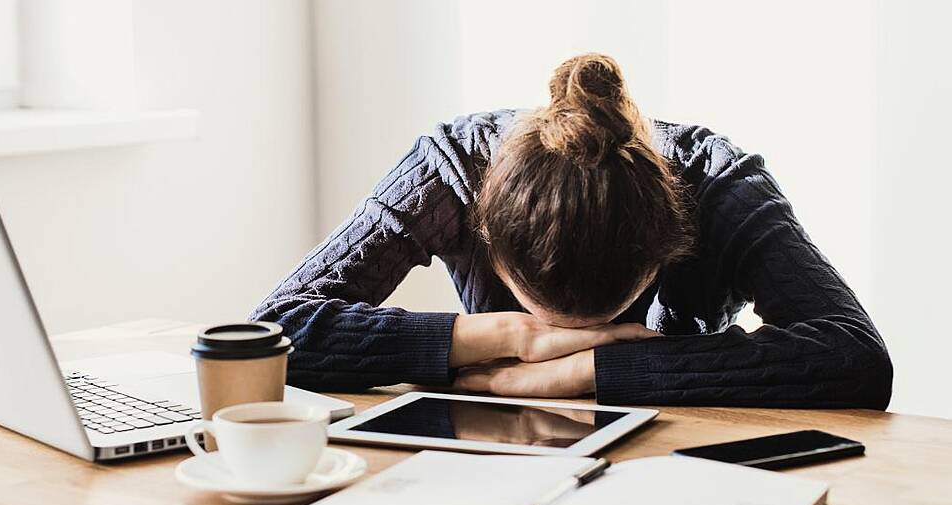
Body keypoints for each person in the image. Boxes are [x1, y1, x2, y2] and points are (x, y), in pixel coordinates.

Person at [250, 53, 892, 409]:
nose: (565, 337)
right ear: (487, 232)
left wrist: (591, 371)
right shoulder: (452, 168)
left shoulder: (717, 182)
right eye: (553, 321)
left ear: (670, 240)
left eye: (594, 322)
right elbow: (267, 333)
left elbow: (856, 355)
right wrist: (510, 337)